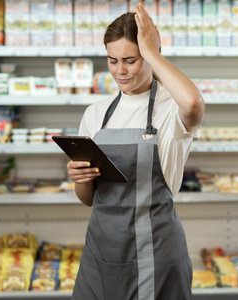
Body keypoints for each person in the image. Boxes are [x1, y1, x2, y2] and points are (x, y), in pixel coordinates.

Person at [67, 3, 204, 300]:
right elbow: (89, 200)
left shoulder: (170, 109)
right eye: (112, 60)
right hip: (101, 252)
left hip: (154, 253)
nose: (120, 71)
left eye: (131, 60)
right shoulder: (96, 114)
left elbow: (193, 103)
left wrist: (153, 53)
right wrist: (80, 178)